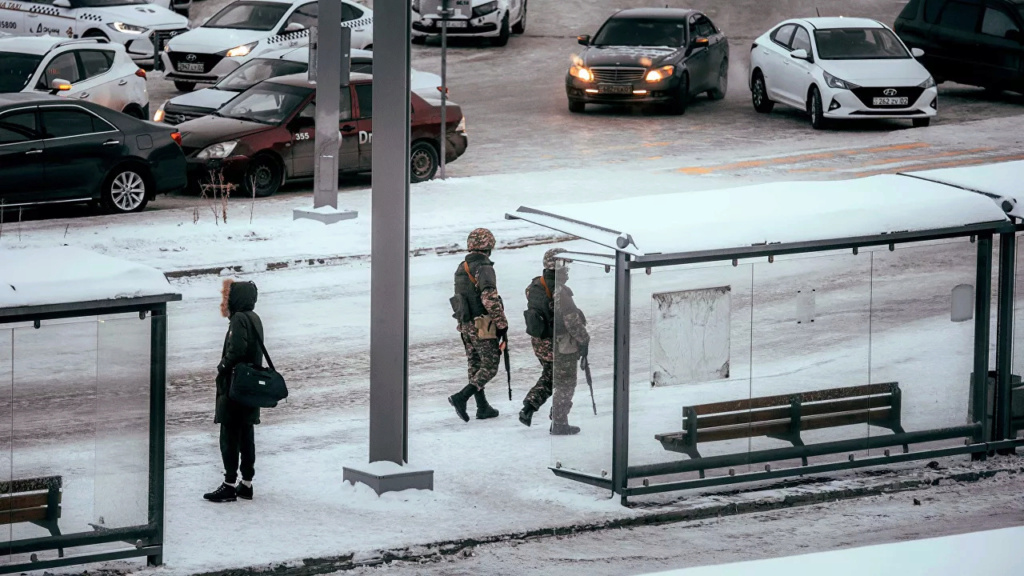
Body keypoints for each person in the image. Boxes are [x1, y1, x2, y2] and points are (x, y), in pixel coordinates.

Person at [204, 279, 263, 503]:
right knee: (247, 434)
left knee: (229, 434)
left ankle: (229, 484)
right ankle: (246, 483)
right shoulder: (254, 317)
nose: (225, 302)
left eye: (228, 298)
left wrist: (223, 366)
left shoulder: (239, 319)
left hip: (236, 386)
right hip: (250, 386)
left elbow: (237, 350)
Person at [520, 248, 590, 435]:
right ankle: (559, 423)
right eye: (566, 266)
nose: (567, 271)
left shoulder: (534, 286)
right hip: (560, 345)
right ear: (559, 267)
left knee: (550, 376)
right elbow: (572, 324)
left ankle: (529, 407)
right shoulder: (561, 292)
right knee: (566, 383)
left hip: (540, 343)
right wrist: (584, 341)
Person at [448, 228, 508, 422]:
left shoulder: (461, 267)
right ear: (488, 245)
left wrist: (461, 324)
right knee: (490, 365)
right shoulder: (484, 267)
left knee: (475, 363)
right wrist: (501, 323)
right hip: (482, 324)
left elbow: (460, 298)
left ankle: (482, 407)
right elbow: (489, 298)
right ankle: (461, 397)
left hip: (465, 324)